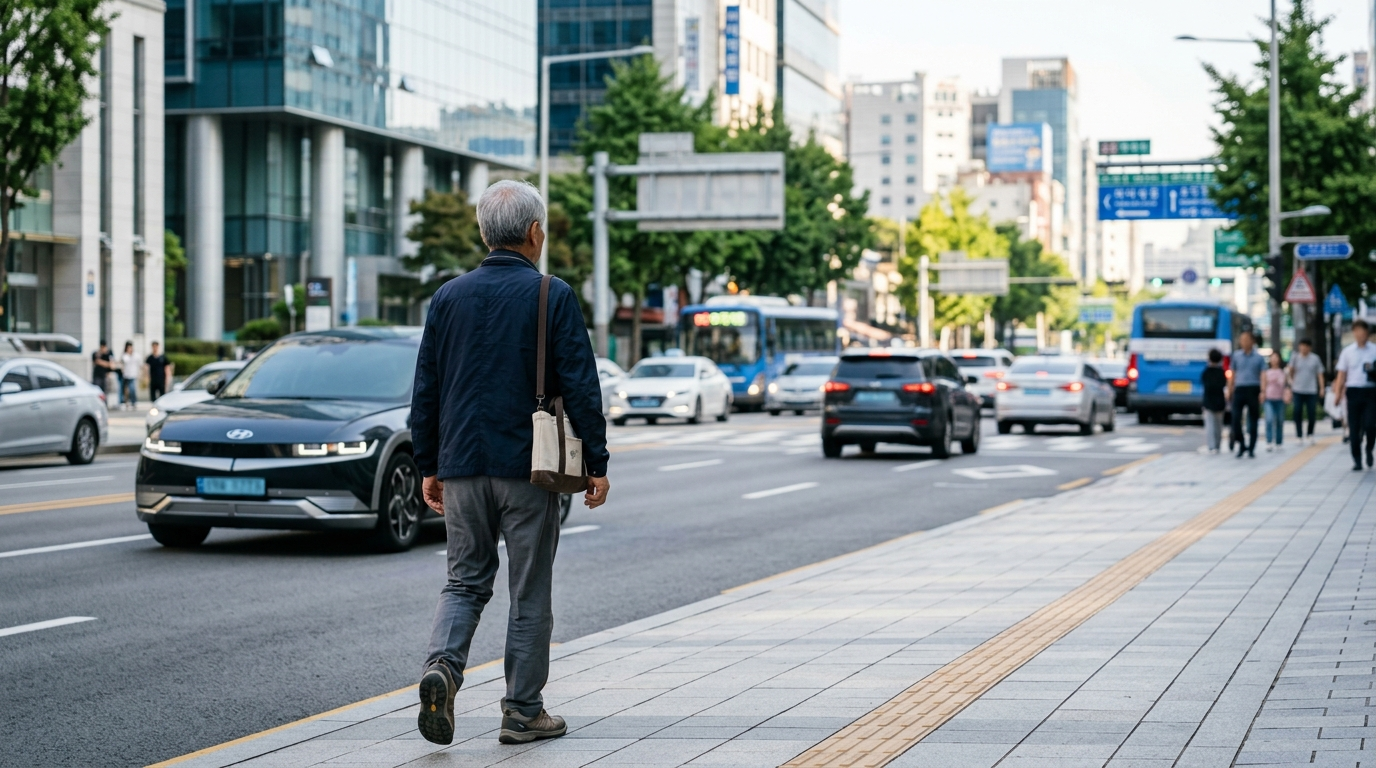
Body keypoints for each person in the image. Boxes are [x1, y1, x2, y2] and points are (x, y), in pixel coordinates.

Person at [410, 180, 610, 747]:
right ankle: (522, 711)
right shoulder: (552, 294)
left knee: (463, 582)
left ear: (482, 232)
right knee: (528, 591)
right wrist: (596, 461)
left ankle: (443, 670)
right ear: (534, 232)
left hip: (461, 464)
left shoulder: (447, 297)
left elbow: (426, 387)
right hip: (531, 467)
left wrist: (429, 463)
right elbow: (581, 384)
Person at [1334, 318, 1376, 471]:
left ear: (1367, 333)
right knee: (1354, 427)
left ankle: (1369, 449)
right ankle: (1357, 459)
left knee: (1371, 425)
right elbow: (1341, 374)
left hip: (1371, 391)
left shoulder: (1374, 350)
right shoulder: (1347, 352)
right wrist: (1338, 393)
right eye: (1357, 331)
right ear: (1353, 333)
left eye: (1362, 331)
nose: (1360, 334)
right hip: (1353, 391)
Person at [1228, 329, 1265, 458]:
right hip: (1239, 389)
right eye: (1241, 340)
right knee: (1235, 419)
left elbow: (1263, 375)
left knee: (1253, 420)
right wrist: (1229, 389)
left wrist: (1263, 391)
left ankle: (1251, 448)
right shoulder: (1236, 356)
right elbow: (1232, 374)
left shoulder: (1259, 357)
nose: (1242, 342)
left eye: (1245, 339)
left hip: (1253, 389)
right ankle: (1242, 444)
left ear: (1252, 341)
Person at [1287, 338, 1324, 445]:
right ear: (1299, 346)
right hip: (1297, 390)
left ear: (1310, 347)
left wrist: (1321, 388)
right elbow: (1290, 372)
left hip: (1311, 390)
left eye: (1306, 346)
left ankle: (1310, 433)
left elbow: (1320, 374)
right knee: (1297, 412)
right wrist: (1291, 383)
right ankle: (1299, 435)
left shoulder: (1315, 358)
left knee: (1312, 413)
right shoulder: (1295, 357)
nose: (1304, 348)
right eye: (1302, 345)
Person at [1201, 348, 1227, 454]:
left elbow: (1204, 384)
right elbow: (1224, 385)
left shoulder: (1206, 372)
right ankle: (1217, 445)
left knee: (1210, 425)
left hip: (1208, 401)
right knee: (1218, 426)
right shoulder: (1221, 372)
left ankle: (1212, 446)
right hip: (1220, 401)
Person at [1262, 351, 1288, 452]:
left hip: (1280, 399)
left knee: (1280, 421)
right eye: (1272, 357)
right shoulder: (1266, 372)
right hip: (1268, 398)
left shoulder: (1283, 372)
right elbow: (1263, 384)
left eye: (1276, 357)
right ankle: (1269, 441)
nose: (1274, 359)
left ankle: (1279, 442)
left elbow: (1286, 384)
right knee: (1269, 420)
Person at [118, 341, 140, 410]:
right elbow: (123, 362)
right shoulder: (125, 355)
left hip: (133, 375)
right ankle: (124, 402)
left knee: (132, 389)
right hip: (126, 375)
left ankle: (133, 402)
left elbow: (139, 363)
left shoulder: (136, 355)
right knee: (125, 390)